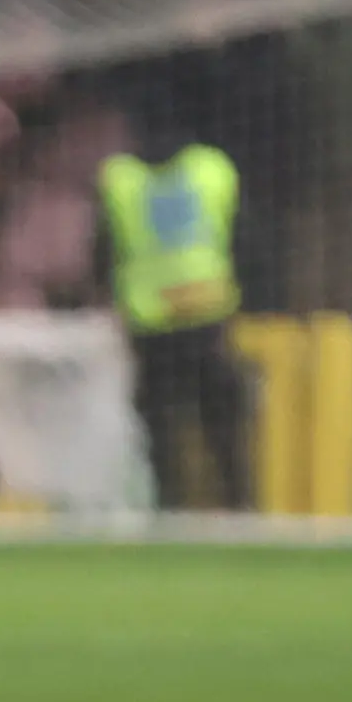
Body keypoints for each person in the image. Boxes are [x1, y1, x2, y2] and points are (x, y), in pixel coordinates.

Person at [99, 130, 248, 513]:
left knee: (167, 423)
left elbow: (103, 249)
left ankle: (175, 506)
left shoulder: (121, 181)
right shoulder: (211, 170)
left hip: (155, 321)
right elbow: (241, 235)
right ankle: (238, 505)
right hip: (200, 313)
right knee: (216, 422)